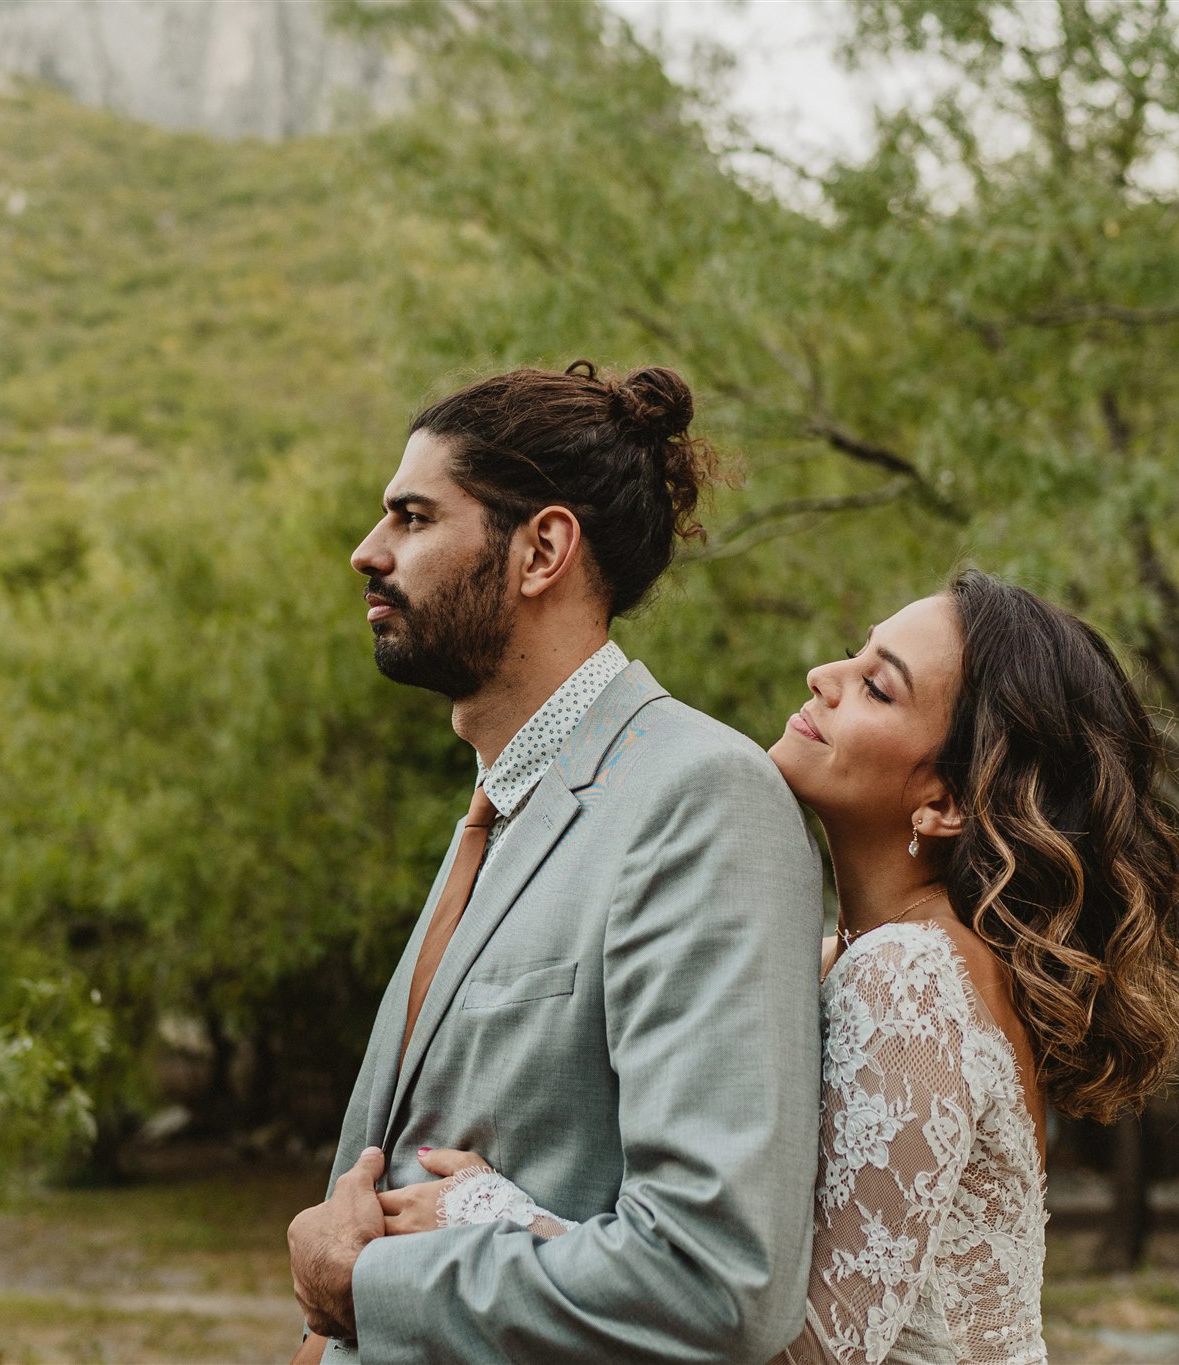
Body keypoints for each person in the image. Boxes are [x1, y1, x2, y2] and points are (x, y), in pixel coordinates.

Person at [383, 571, 1179, 1365]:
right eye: (855, 656)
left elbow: (806, 1348)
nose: (824, 675)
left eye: (877, 686)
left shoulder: (912, 980)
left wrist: (493, 1218)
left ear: (945, 802)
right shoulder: (852, 957)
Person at [284, 362, 827, 1362]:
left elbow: (715, 1280)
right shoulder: (496, 811)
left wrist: (367, 1287)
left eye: (410, 518)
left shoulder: (699, 796)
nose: (366, 553)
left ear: (541, 549)